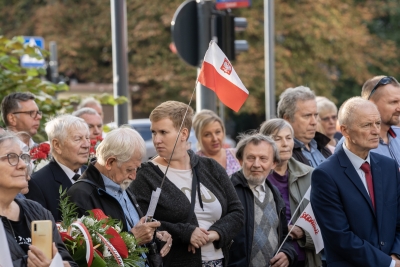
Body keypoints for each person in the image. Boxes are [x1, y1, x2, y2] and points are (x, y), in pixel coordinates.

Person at [131, 101, 244, 267]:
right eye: (154, 132)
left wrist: (213, 234)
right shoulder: (146, 175)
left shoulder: (211, 167)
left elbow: (237, 212)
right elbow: (141, 222)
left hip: (218, 261)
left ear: (183, 133)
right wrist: (185, 232)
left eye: (163, 132)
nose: (156, 139)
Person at [311, 97, 400, 266]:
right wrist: (388, 263)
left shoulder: (389, 167)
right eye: (367, 125)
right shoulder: (325, 175)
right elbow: (340, 237)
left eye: (377, 123)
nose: (376, 131)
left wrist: (396, 255)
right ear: (345, 131)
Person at [67, 127, 173, 264]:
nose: (134, 176)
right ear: (110, 162)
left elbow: (132, 229)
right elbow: (86, 255)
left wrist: (155, 236)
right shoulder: (81, 194)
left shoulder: (120, 182)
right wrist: (133, 238)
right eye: (129, 169)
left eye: (137, 169)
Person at [0, 131, 77, 267]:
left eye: (23, 157)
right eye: (11, 157)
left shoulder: (38, 211)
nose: (23, 165)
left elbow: (69, 261)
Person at [229, 133, 297, 267]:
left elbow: (284, 236)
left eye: (263, 159)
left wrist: (287, 253)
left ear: (273, 163)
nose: (256, 164)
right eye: (250, 158)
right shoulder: (228, 190)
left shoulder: (275, 194)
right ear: (241, 160)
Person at [260, 119, 321, 267]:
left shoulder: (311, 175)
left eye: (288, 138)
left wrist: (302, 233)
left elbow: (326, 223)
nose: (285, 144)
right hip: (268, 259)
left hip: (305, 259)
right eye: (277, 139)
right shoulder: (256, 177)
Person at [25, 115, 90, 221]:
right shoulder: (38, 183)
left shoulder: (93, 174)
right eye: (78, 139)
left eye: (87, 138)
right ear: (57, 145)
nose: (86, 144)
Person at [336, 76, 400, 165]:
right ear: (370, 103)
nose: (399, 108)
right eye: (393, 102)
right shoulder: (353, 142)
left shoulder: (398, 134)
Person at [277, 86, 331, 167]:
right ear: (287, 119)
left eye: (315, 115)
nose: (314, 122)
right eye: (307, 116)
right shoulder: (282, 154)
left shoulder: (323, 148)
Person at [192, 109, 240, 176]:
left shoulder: (236, 155)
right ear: (198, 137)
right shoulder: (195, 163)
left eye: (218, 132)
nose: (215, 139)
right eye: (207, 134)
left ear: (223, 131)